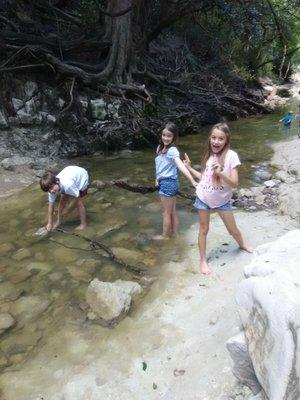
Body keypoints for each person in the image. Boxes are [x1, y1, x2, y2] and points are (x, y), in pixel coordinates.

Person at [183, 122, 252, 275]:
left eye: (220, 139)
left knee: (232, 229)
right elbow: (204, 179)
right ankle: (203, 261)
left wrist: (220, 173)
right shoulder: (209, 155)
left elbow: (234, 183)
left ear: (226, 140)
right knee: (203, 229)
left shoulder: (231, 156)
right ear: (210, 138)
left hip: (222, 201)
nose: (216, 141)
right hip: (203, 198)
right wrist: (188, 168)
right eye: (213, 137)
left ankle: (242, 244)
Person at [155, 122, 197, 239]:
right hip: (167, 182)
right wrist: (157, 179)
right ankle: (175, 235)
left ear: (174, 137)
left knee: (166, 213)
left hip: (168, 183)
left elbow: (180, 166)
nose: (166, 138)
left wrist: (192, 180)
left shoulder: (172, 150)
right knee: (172, 212)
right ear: (161, 134)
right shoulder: (159, 148)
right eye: (164, 135)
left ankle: (164, 237)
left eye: (169, 136)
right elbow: (160, 167)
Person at [40, 166, 89, 231]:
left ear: (57, 182)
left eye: (52, 188)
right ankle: (59, 221)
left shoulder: (68, 185)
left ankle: (83, 224)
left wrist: (68, 209)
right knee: (62, 200)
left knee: (78, 203)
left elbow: (77, 197)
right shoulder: (52, 190)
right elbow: (51, 206)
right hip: (70, 173)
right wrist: (50, 222)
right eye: (49, 190)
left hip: (82, 177)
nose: (51, 191)